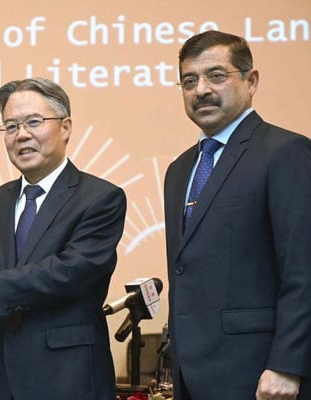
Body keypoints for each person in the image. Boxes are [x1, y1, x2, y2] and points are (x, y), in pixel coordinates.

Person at [0, 78, 127, 400]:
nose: (21, 135)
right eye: (10, 126)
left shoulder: (100, 198)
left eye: (33, 122)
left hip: (68, 377)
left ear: (65, 127)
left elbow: (70, 272)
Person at [164, 30, 311, 400]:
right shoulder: (179, 170)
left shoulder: (286, 152)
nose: (201, 90)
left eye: (216, 75)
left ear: (251, 81)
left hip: (262, 375)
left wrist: (287, 365)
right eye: (189, 80)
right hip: (192, 377)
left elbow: (304, 269)